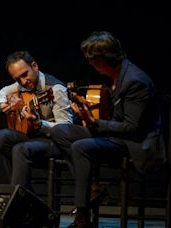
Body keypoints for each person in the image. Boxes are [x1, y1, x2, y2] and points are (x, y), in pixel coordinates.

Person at [50, 31, 166, 228]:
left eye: (91, 60)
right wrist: (87, 117)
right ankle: (91, 188)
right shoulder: (116, 76)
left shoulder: (134, 81)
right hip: (117, 135)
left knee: (80, 147)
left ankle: (82, 216)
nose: (90, 64)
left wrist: (95, 124)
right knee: (59, 131)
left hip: (134, 143)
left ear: (100, 60)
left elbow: (131, 128)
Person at [0, 50, 73, 191]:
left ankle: (18, 197)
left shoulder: (56, 89)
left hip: (54, 142)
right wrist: (3, 104)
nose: (23, 82)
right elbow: (3, 91)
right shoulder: (22, 85)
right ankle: (23, 190)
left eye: (25, 75)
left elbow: (66, 128)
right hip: (33, 137)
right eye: (18, 79)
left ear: (35, 66)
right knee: (1, 137)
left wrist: (41, 124)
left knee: (20, 149)